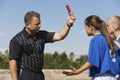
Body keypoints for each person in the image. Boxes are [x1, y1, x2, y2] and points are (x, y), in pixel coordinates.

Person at [9, 10, 76, 80]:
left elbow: (60, 36)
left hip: (39, 75)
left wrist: (69, 24)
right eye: (37, 24)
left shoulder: (42, 35)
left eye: (39, 23)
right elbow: (13, 61)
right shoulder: (17, 39)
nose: (39, 26)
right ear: (28, 25)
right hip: (26, 74)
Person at [63, 15, 119, 80]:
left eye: (86, 27)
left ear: (91, 27)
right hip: (112, 77)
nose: (85, 29)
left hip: (101, 77)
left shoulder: (96, 40)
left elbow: (92, 62)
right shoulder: (109, 40)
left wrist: (77, 71)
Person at [107, 15, 120, 80]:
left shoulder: (117, 42)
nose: (107, 28)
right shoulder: (115, 41)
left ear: (116, 27)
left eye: (108, 25)